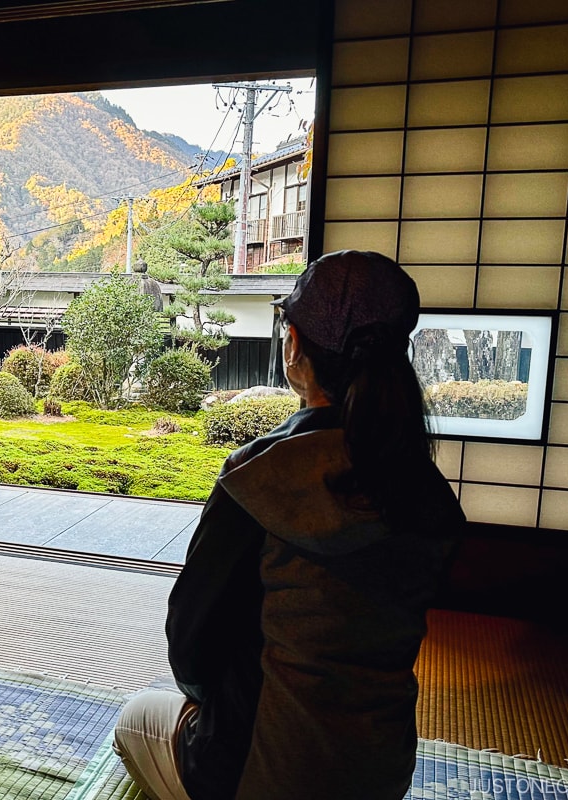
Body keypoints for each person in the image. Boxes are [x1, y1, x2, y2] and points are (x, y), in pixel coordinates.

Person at [112, 250, 465, 800]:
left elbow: (191, 635)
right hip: (381, 772)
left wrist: (208, 703)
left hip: (255, 773)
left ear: (294, 344)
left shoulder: (260, 476)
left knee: (135, 716)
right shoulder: (423, 489)